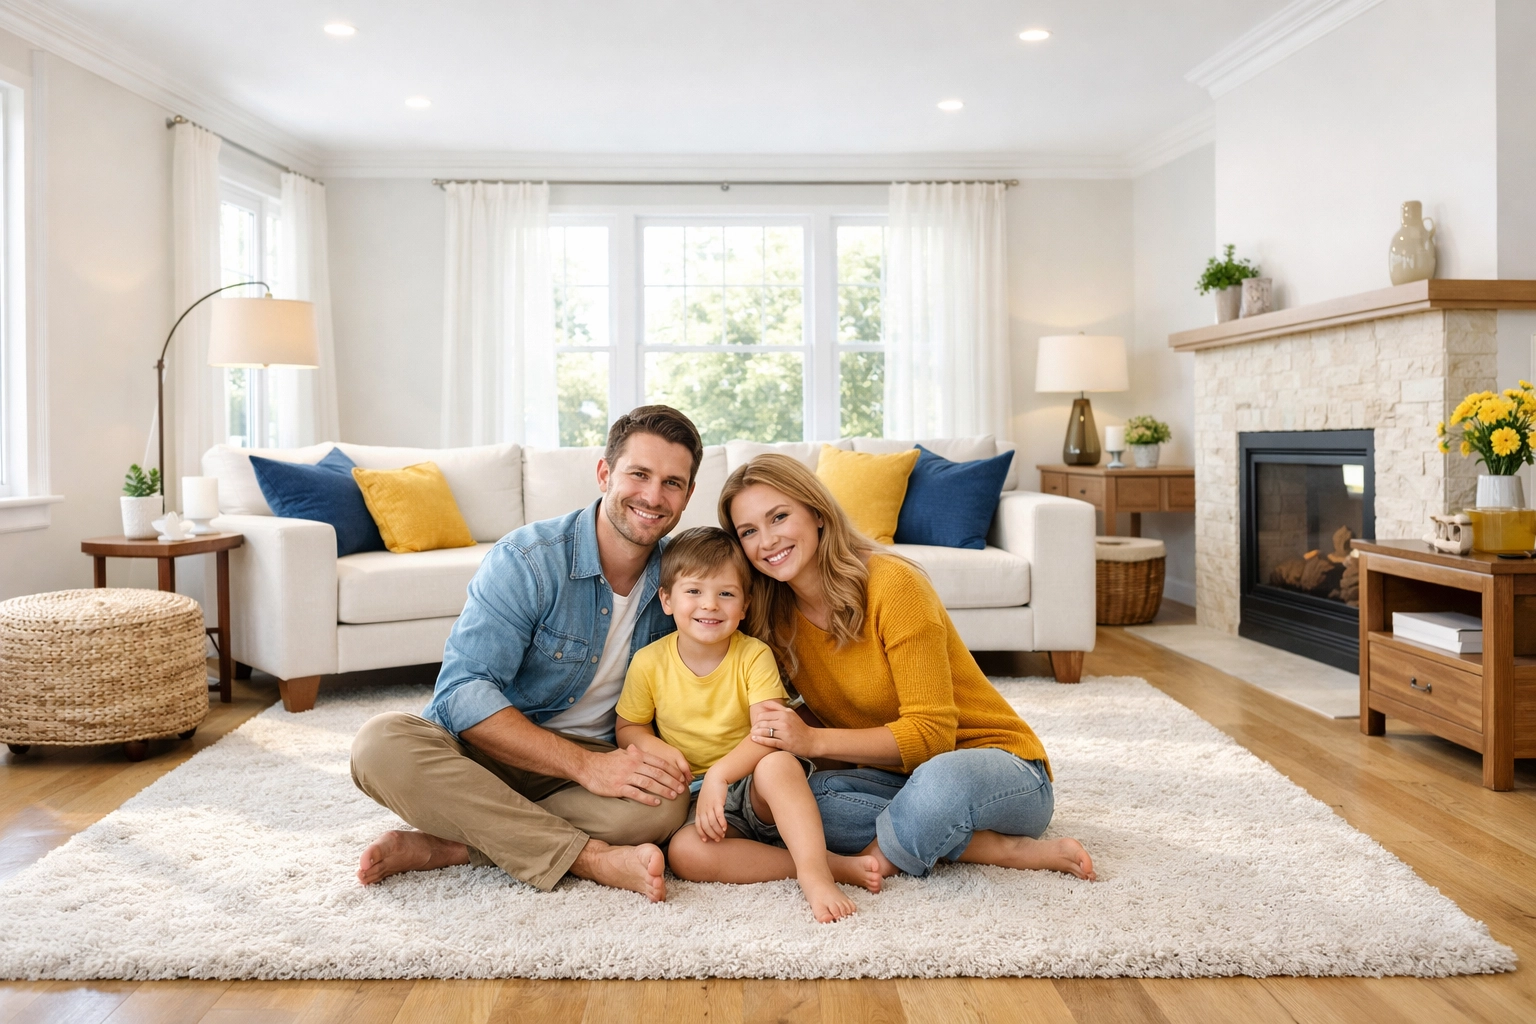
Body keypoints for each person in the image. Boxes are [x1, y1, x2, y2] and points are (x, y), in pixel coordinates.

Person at [349, 406, 705, 902]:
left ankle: (452, 845)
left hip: (598, 761)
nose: (652, 496)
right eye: (639, 474)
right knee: (378, 744)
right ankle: (589, 858)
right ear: (605, 473)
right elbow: (462, 692)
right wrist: (585, 768)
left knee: (664, 805)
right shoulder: (527, 560)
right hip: (491, 753)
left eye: (672, 483)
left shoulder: (686, 581)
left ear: (688, 495)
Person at [716, 454, 1098, 884]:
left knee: (939, 783)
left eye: (779, 517)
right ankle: (983, 847)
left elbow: (933, 737)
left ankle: (887, 855)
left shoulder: (894, 585)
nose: (767, 541)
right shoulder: (772, 616)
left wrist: (812, 740)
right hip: (898, 780)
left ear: (817, 512)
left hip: (999, 772)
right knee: (802, 799)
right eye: (749, 531)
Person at [613, 527, 882, 923]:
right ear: (666, 600)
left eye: (726, 593)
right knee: (684, 854)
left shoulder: (753, 655)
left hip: (755, 786)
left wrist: (721, 774)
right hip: (698, 797)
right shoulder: (649, 662)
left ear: (745, 605)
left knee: (777, 764)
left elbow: (769, 732)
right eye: (694, 591)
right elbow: (629, 729)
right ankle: (836, 865)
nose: (710, 605)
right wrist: (662, 751)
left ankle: (816, 875)